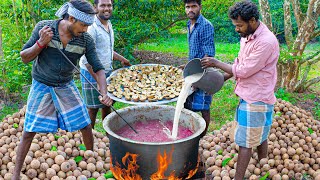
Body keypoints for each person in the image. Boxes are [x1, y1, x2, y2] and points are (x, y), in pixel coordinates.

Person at [12, 0, 113, 179]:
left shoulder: (85, 40)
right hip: (41, 84)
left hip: (66, 84)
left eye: (89, 25)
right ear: (71, 18)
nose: (86, 29)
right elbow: (24, 57)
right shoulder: (45, 28)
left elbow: (98, 67)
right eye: (83, 25)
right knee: (29, 131)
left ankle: (90, 160)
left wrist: (104, 92)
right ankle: (15, 175)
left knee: (85, 124)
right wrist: (41, 43)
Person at [201, 1, 279, 179]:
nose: (237, 29)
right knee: (260, 132)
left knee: (245, 142)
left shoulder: (266, 42)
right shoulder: (247, 36)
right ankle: (263, 164)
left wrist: (216, 62)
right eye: (235, 25)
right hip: (251, 93)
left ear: (252, 20)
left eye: (239, 25)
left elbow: (244, 70)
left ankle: (239, 178)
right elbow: (240, 62)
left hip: (256, 97)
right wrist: (222, 78)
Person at [80, 0, 131, 129]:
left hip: (107, 71)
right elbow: (87, 60)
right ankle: (90, 137)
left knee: (107, 104)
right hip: (91, 72)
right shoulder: (92, 28)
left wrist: (121, 59)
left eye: (109, 5)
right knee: (92, 108)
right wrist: (98, 80)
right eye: (102, 5)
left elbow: (106, 50)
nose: (106, 8)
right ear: (95, 7)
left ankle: (107, 134)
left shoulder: (108, 24)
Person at [182, 0, 215, 137]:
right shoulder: (189, 24)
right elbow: (195, 51)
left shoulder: (206, 25)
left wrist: (197, 78)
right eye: (187, 7)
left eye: (193, 6)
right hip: (192, 70)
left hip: (203, 73)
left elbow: (207, 55)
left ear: (200, 7)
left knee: (204, 107)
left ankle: (202, 137)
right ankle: (188, 134)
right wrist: (188, 67)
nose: (190, 10)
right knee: (187, 105)